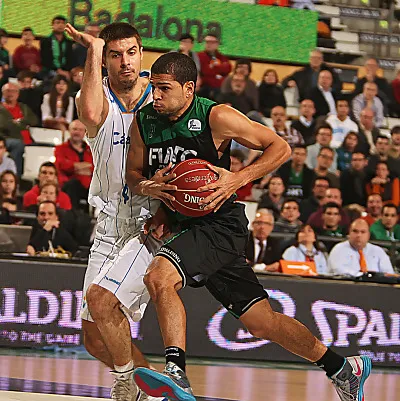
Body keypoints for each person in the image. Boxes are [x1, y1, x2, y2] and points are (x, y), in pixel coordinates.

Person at [127, 52, 370, 401]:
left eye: (165, 88)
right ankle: (343, 369)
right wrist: (150, 190)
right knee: (261, 322)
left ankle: (176, 372)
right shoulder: (145, 120)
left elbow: (280, 147)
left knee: (158, 277)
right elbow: (133, 174)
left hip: (220, 224)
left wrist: (238, 179)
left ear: (189, 88)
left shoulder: (216, 116)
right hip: (188, 227)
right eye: (153, 87)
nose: (156, 95)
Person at [65, 22, 164, 401]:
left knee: (103, 301)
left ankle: (132, 388)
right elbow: (90, 113)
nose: (125, 62)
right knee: (93, 338)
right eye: (115, 54)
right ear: (104, 60)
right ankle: (152, 391)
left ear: (142, 54)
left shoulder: (161, 97)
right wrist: (92, 48)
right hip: (108, 225)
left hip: (151, 225)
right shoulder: (96, 95)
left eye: (132, 53)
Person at [328, 218, 394, 276]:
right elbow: (338, 271)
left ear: (368, 235)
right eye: (355, 231)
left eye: (363, 232)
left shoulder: (378, 251)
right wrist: (363, 276)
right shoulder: (338, 250)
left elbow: (389, 274)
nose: (359, 235)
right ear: (349, 233)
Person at [54, 119, 93, 209]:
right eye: (74, 129)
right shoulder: (60, 148)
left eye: (80, 130)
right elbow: (61, 165)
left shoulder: (91, 150)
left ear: (85, 132)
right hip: (68, 185)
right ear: (69, 131)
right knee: (73, 184)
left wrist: (73, 167)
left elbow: (95, 168)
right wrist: (83, 166)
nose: (77, 132)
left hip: (88, 186)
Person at [0, 83, 38, 174]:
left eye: (14, 91)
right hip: (7, 139)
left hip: (28, 140)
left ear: (18, 94)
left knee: (47, 147)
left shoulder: (23, 107)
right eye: (8, 91)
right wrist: (23, 125)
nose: (11, 93)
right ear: (3, 93)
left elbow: (34, 120)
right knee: (18, 145)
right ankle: (13, 175)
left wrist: (19, 122)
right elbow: (4, 125)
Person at [197, 34, 231, 100]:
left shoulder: (222, 57)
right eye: (207, 42)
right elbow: (205, 71)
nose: (209, 44)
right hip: (204, 88)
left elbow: (228, 68)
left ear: (217, 44)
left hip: (220, 89)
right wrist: (217, 70)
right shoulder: (199, 56)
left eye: (212, 42)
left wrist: (214, 68)